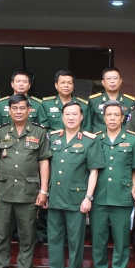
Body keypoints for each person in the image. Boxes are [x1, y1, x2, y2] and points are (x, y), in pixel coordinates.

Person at [0, 95, 51, 268]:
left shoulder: (39, 133)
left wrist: (44, 190)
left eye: (22, 108)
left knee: (27, 235)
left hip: (29, 192)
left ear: (29, 110)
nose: (19, 111)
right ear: (9, 110)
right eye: (15, 108)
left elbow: (44, 161)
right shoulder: (1, 132)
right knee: (2, 234)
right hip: (3, 191)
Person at [40, 101, 105, 268]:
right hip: (55, 197)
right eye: (67, 114)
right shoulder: (52, 138)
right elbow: (46, 166)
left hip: (77, 199)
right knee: (55, 238)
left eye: (74, 114)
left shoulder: (90, 140)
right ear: (62, 116)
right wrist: (44, 192)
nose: (70, 117)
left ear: (82, 117)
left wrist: (89, 197)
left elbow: (94, 171)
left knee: (75, 240)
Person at [86, 100, 135, 268]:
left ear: (123, 117)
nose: (112, 118)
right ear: (103, 117)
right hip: (99, 197)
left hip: (122, 198)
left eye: (116, 115)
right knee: (98, 240)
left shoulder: (133, 140)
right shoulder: (96, 139)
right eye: (109, 115)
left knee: (121, 241)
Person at [36, 70, 89, 243]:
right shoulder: (46, 104)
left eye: (69, 83)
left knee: (72, 190)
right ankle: (44, 232)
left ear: (73, 85)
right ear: (56, 85)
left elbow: (86, 130)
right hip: (53, 151)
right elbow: (43, 130)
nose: (66, 85)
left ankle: (69, 235)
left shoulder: (83, 105)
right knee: (50, 189)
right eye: (62, 82)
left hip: (76, 151)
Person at [88, 67, 135, 134]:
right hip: (98, 140)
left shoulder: (130, 102)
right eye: (109, 78)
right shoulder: (93, 100)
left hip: (123, 141)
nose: (112, 81)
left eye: (115, 78)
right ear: (103, 82)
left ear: (121, 81)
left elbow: (132, 126)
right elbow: (88, 125)